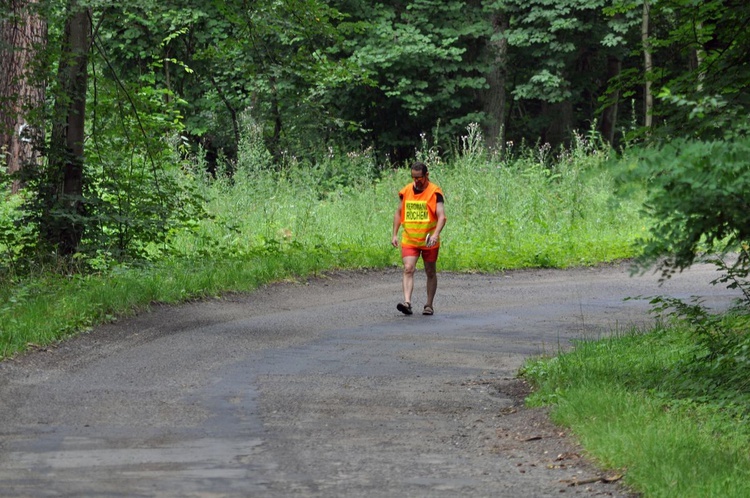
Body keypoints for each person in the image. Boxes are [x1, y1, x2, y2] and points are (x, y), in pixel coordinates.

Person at [391, 161, 447, 316]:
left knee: (430, 271)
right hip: (410, 239)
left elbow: (442, 217)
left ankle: (429, 304)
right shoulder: (406, 191)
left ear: (426, 175)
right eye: (413, 178)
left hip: (429, 240)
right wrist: (395, 234)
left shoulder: (435, 192)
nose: (416, 181)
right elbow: (398, 213)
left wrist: (435, 235)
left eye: (419, 178)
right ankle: (407, 303)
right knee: (408, 268)